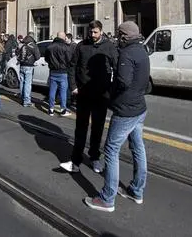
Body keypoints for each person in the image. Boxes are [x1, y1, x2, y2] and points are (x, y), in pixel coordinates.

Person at [84, 21, 149, 212]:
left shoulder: (126, 54)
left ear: (123, 36)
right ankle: (136, 190)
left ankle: (107, 198)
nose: (117, 38)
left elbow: (123, 81)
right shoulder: (142, 50)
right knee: (138, 147)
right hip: (140, 108)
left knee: (111, 150)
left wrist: (112, 91)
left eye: (119, 35)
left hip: (125, 110)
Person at [60, 20, 118, 174]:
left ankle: (94, 157)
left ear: (101, 31)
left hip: (101, 94)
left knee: (97, 128)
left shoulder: (109, 47)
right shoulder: (81, 46)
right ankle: (76, 160)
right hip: (83, 93)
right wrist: (73, 86)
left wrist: (111, 90)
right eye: (90, 32)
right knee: (81, 128)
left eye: (95, 32)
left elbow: (117, 67)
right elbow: (72, 66)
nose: (92, 35)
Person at [45, 31, 74, 116]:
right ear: (63, 37)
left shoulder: (50, 47)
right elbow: (69, 60)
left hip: (53, 71)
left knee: (52, 90)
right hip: (63, 72)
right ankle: (63, 110)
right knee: (63, 92)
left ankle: (51, 109)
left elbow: (47, 59)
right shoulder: (66, 47)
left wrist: (52, 64)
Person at [16, 34, 40, 107]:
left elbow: (17, 54)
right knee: (27, 84)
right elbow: (38, 56)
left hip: (22, 65)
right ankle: (26, 101)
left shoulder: (22, 45)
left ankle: (22, 98)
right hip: (29, 66)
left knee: (22, 82)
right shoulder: (33, 45)